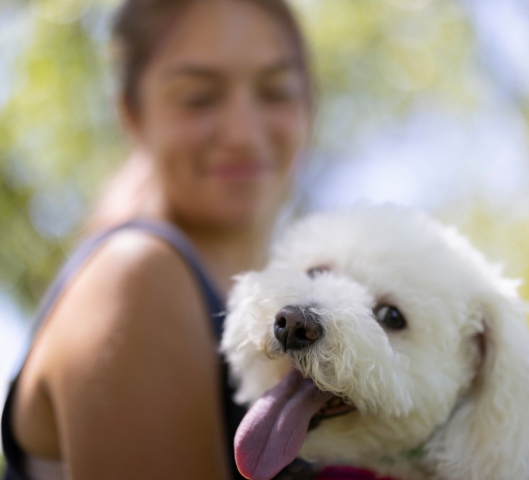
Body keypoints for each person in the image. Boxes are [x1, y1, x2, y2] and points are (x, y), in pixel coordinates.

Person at [1, 0, 313, 478]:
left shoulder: (301, 308)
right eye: (198, 98)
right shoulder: (137, 274)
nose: (243, 132)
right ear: (132, 114)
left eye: (276, 91)